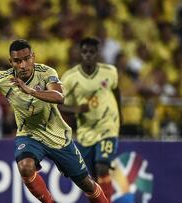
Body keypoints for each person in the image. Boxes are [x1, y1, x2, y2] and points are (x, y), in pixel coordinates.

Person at [0, 39, 107, 203]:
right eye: (18, 61)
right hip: (29, 134)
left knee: (87, 184)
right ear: (11, 62)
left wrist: (30, 91)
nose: (23, 65)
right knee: (25, 167)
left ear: (33, 57)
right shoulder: (3, 79)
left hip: (57, 135)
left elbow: (59, 97)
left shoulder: (46, 72)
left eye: (26, 59)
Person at [59, 37, 121, 203]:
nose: (88, 55)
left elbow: (116, 92)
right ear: (80, 53)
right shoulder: (70, 78)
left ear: (97, 53)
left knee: (102, 166)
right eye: (85, 52)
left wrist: (118, 117)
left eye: (92, 52)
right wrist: (77, 110)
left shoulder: (110, 71)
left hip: (108, 126)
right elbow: (59, 105)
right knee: (91, 178)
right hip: (86, 131)